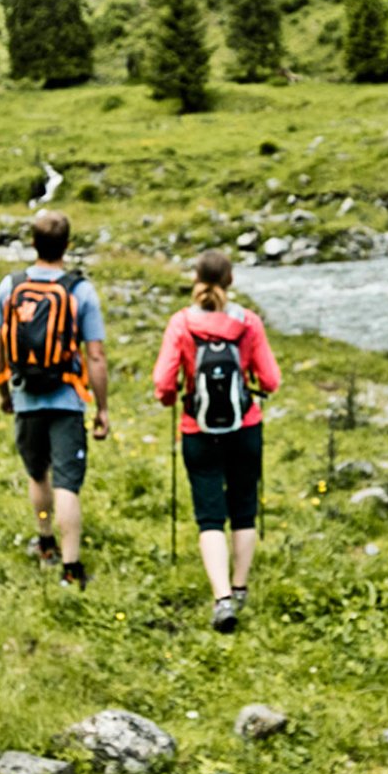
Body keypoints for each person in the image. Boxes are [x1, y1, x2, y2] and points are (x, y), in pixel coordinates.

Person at [153, 249, 281, 632]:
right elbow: (271, 380)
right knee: (243, 510)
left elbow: (162, 382)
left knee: (210, 517)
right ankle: (240, 586)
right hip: (245, 427)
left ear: (195, 277)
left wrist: (173, 396)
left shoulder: (181, 324)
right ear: (231, 280)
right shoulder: (248, 323)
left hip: (198, 430)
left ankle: (222, 599)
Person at [0, 209, 110, 589]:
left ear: (33, 243)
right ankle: (71, 569)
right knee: (67, 484)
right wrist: (103, 408)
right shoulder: (80, 290)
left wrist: (4, 392)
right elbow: (95, 355)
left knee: (37, 472)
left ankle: (44, 543)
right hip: (68, 399)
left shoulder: (10, 286)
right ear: (67, 246)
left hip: (25, 396)